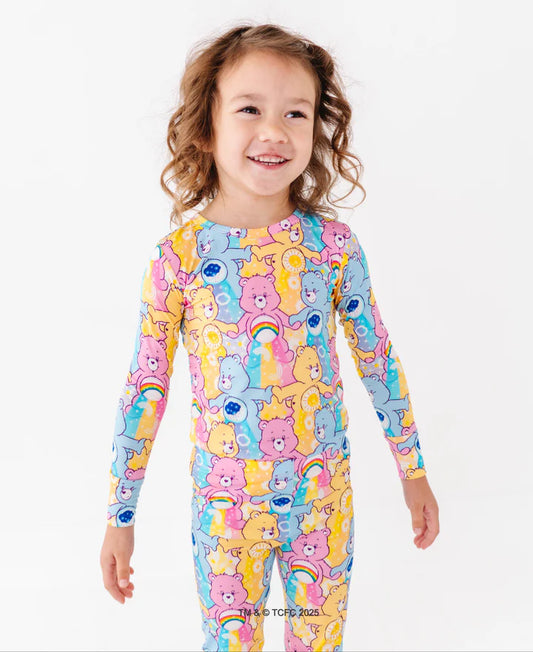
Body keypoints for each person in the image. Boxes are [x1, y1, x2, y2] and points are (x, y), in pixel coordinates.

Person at [100, 22, 439, 652]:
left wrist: (412, 470)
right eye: (250, 109)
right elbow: (145, 389)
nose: (275, 131)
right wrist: (121, 515)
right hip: (225, 516)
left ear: (317, 130)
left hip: (322, 506)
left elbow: (377, 360)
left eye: (296, 113)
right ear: (207, 125)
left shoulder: (333, 248)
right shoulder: (179, 259)